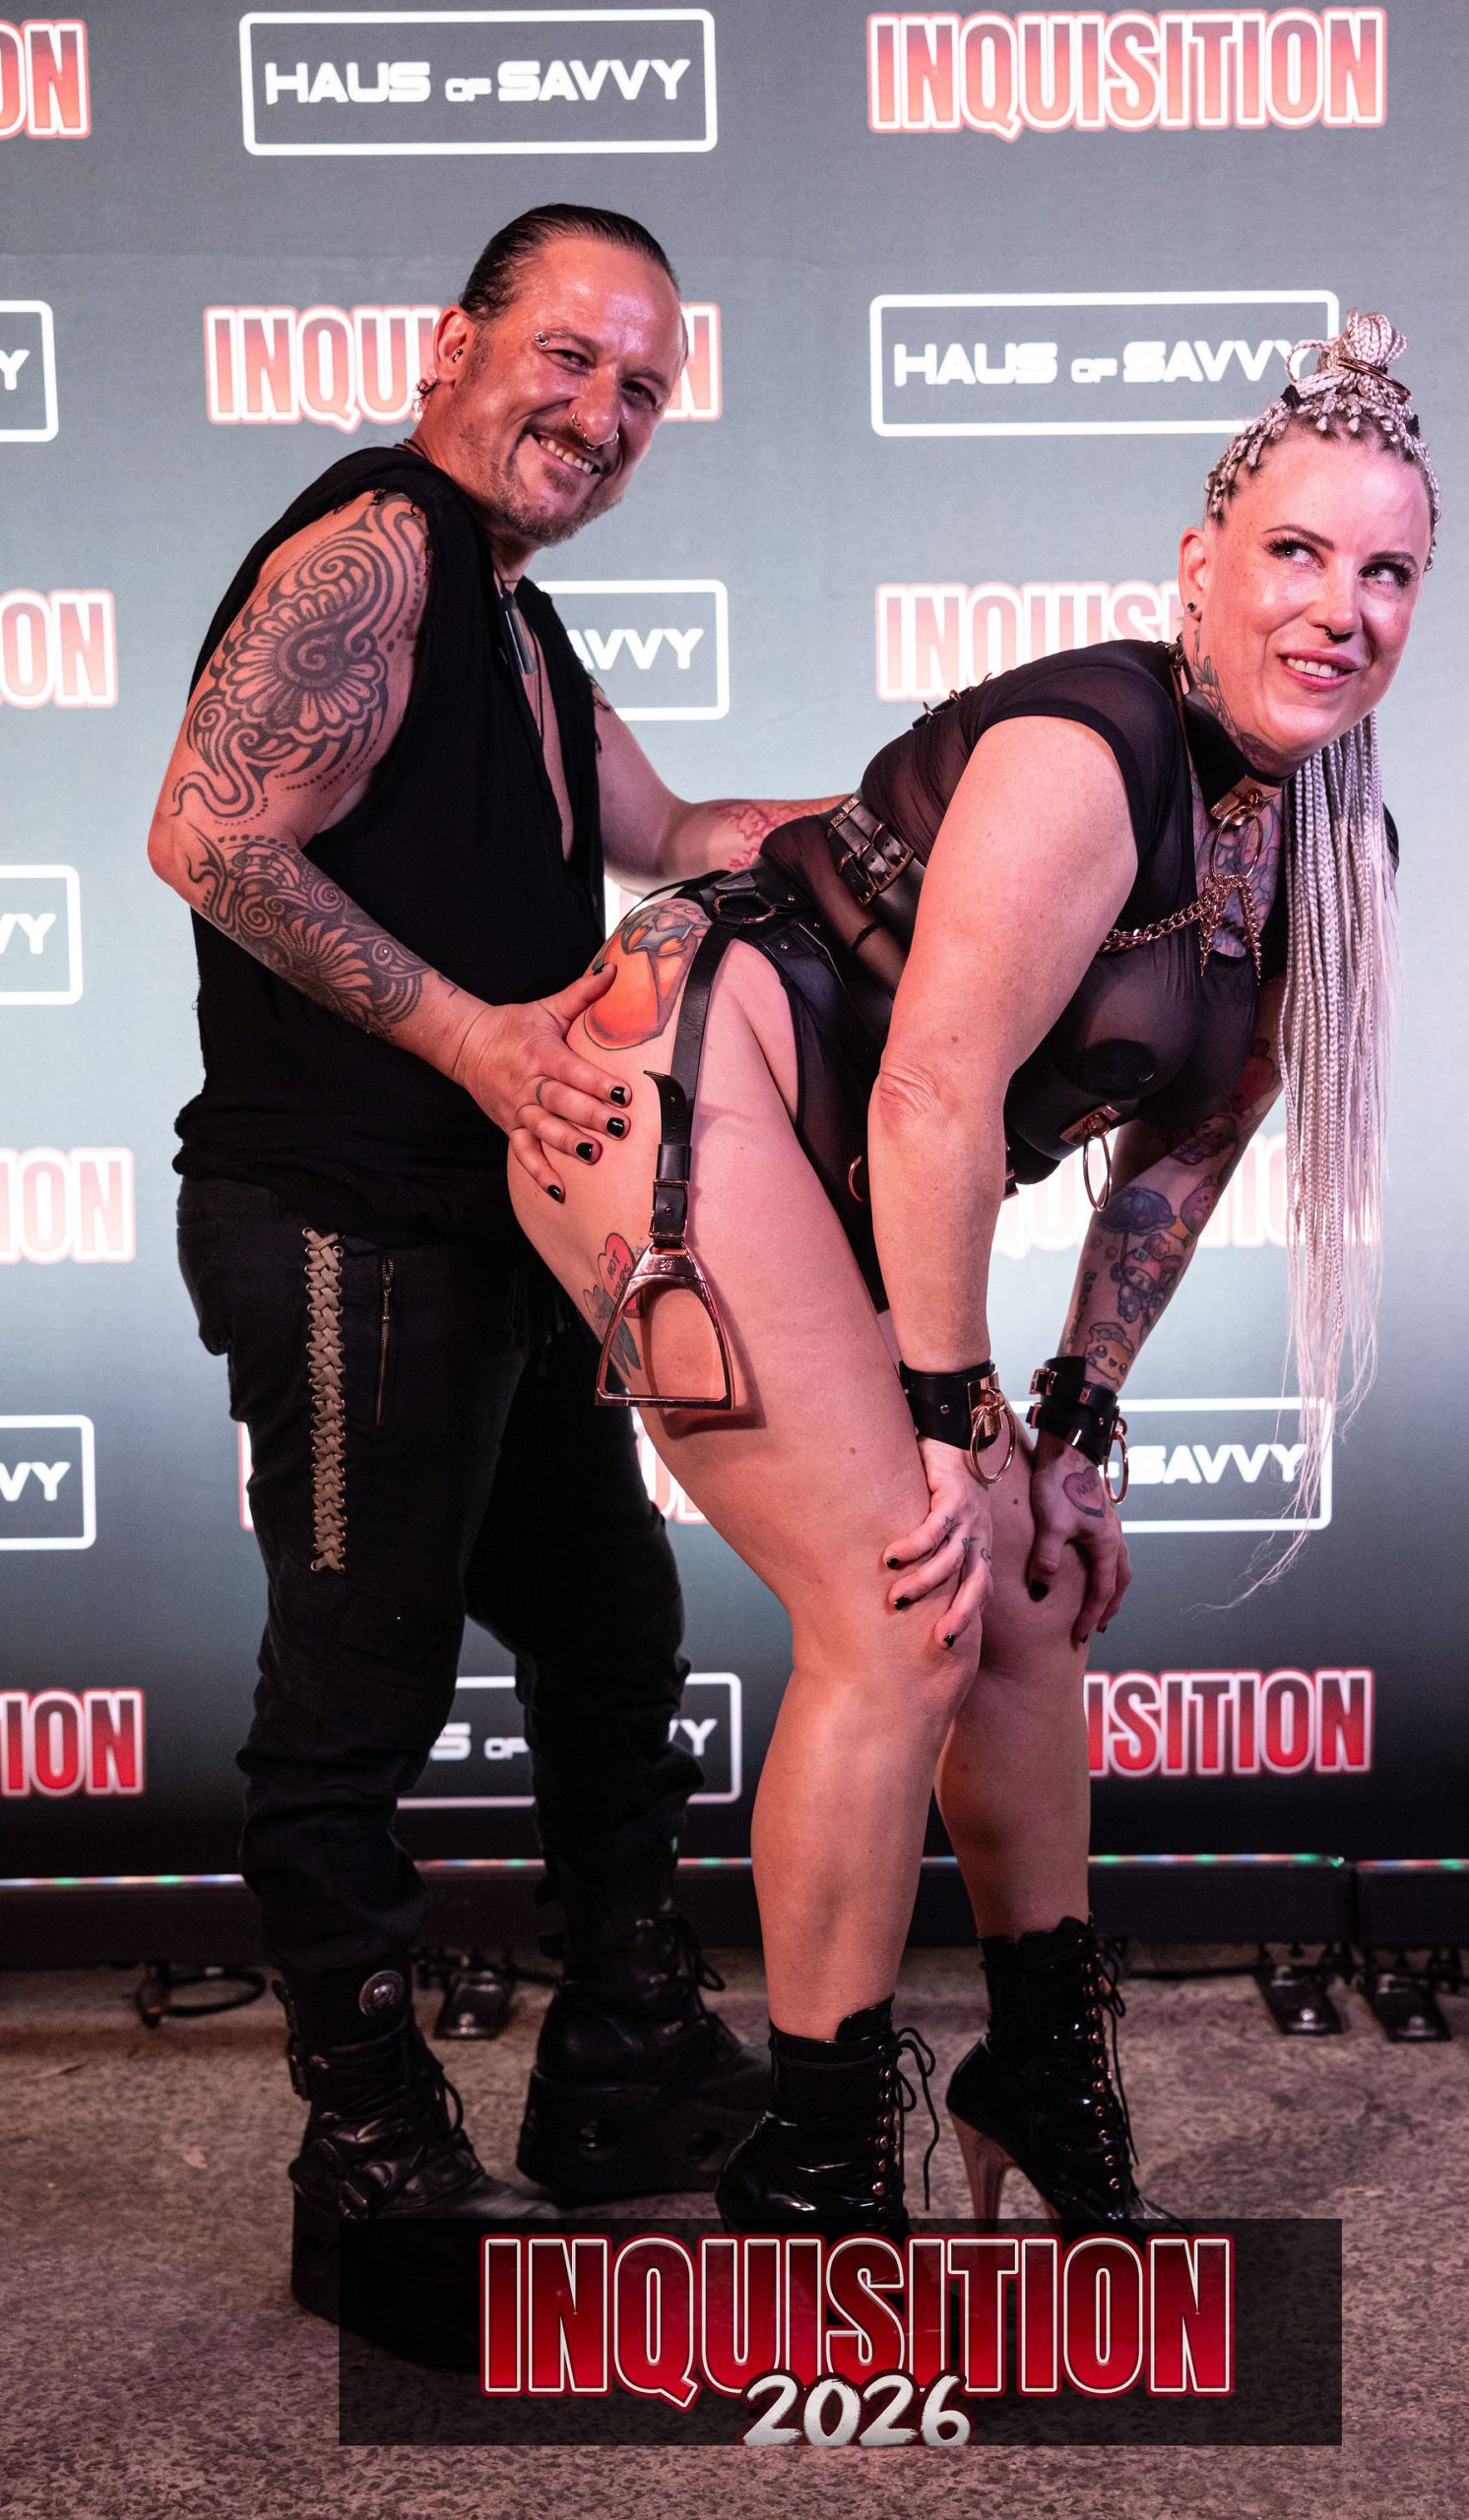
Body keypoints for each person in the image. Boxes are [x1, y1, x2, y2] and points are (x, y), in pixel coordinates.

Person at [510, 312, 1439, 2236]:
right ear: (1200, 565)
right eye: (1293, 551)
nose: (1338, 607)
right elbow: (933, 1091)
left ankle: (1044, 2072)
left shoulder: (1328, 858)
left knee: (1018, 1584)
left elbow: (1176, 1166)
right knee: (906, 1599)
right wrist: (953, 1426)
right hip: (659, 1079)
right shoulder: (1090, 750)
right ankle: (820, 2161)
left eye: (1384, 571)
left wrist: (1071, 1430)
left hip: (831, 1158)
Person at [145, 204, 839, 2329]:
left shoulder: (517, 617)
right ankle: (365, 2157)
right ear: (453, 343)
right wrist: (470, 1036)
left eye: (643, 387)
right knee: (353, 1689)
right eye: (569, 356)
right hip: (343, 1216)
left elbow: (679, 834)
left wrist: (945, 819)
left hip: (498, 1224)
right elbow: (206, 835)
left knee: (612, 1629)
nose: (602, 411)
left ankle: (624, 2055)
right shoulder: (376, 547)